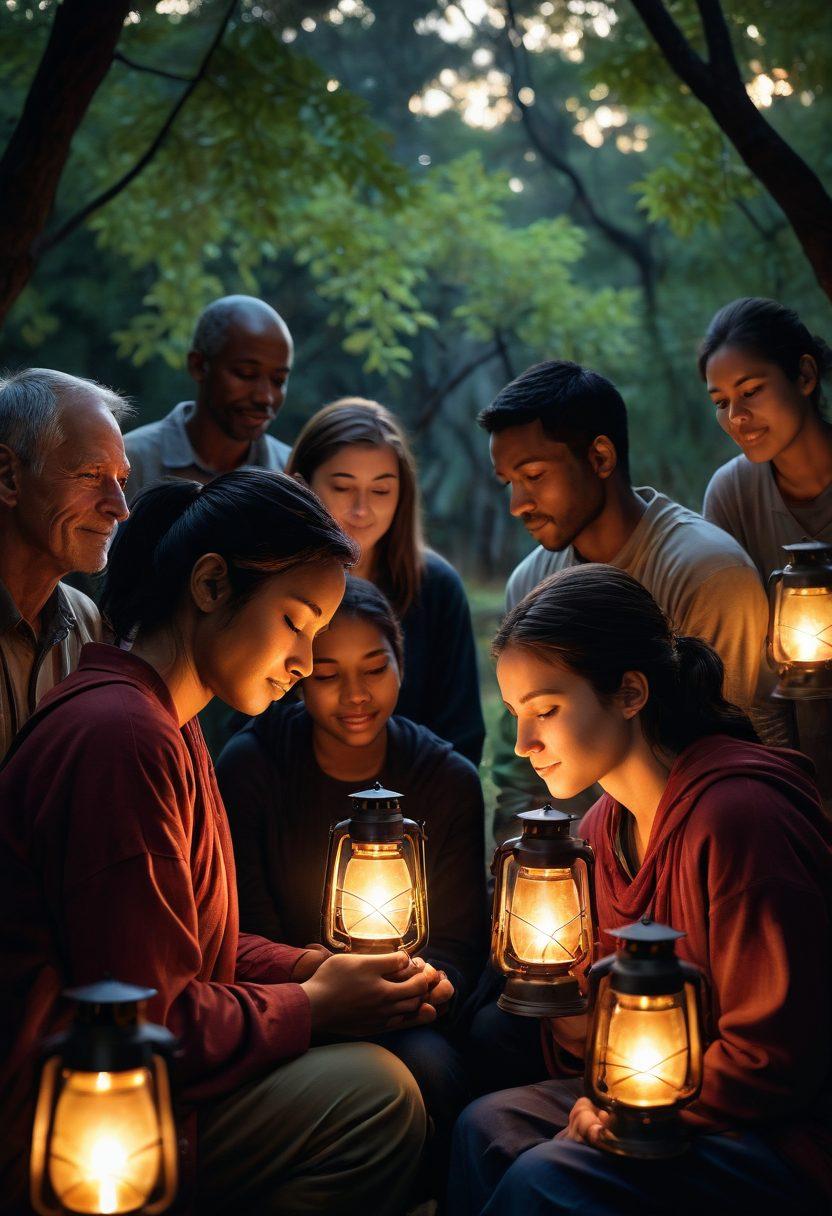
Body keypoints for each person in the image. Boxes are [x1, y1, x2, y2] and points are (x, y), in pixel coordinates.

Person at [0, 469, 441, 1216]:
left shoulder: (168, 722)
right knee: (378, 1098)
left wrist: (318, 966)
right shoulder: (120, 738)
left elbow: (188, 948)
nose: (305, 661)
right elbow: (145, 1019)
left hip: (141, 1076)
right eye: (297, 620)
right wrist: (312, 1005)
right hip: (74, 1119)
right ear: (210, 585)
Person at [449, 564, 832, 1216]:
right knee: (485, 1127)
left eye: (546, 709)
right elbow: (611, 1026)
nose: (525, 743)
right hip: (652, 1099)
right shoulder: (601, 830)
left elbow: (773, 1060)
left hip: (775, 1134)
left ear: (630, 692)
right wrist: (570, 1016)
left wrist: (615, 1111)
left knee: (542, 1180)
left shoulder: (739, 819)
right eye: (516, 715)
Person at [217, 576, 489, 1195]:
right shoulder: (254, 766)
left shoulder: (445, 777)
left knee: (432, 1071)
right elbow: (243, 930)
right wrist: (323, 992)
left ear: (402, 663)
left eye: (375, 669)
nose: (356, 696)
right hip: (289, 1002)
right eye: (328, 674)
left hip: (410, 1008)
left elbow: (456, 943)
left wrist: (428, 985)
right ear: (297, 676)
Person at [480, 359, 770, 840]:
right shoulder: (530, 582)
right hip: (580, 855)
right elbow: (521, 770)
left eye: (533, 475)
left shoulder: (704, 571)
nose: (518, 504)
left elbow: (725, 751)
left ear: (600, 458)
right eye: (508, 482)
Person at [287, 396, 485, 765]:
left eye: (380, 491)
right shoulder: (272, 587)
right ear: (303, 484)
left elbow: (462, 732)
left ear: (402, 495)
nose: (362, 510)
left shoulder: (436, 586)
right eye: (343, 488)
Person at [0, 368, 131, 760]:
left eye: (122, 480)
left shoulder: (87, 621)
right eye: (91, 475)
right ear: (7, 476)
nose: (120, 509)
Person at [701, 297, 832, 584]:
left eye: (750, 391)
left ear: (805, 376)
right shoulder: (731, 495)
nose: (735, 416)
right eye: (721, 402)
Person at [123, 294, 294, 503]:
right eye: (246, 374)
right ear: (198, 365)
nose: (265, 397)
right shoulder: (130, 463)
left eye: (279, 380)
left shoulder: (292, 473)